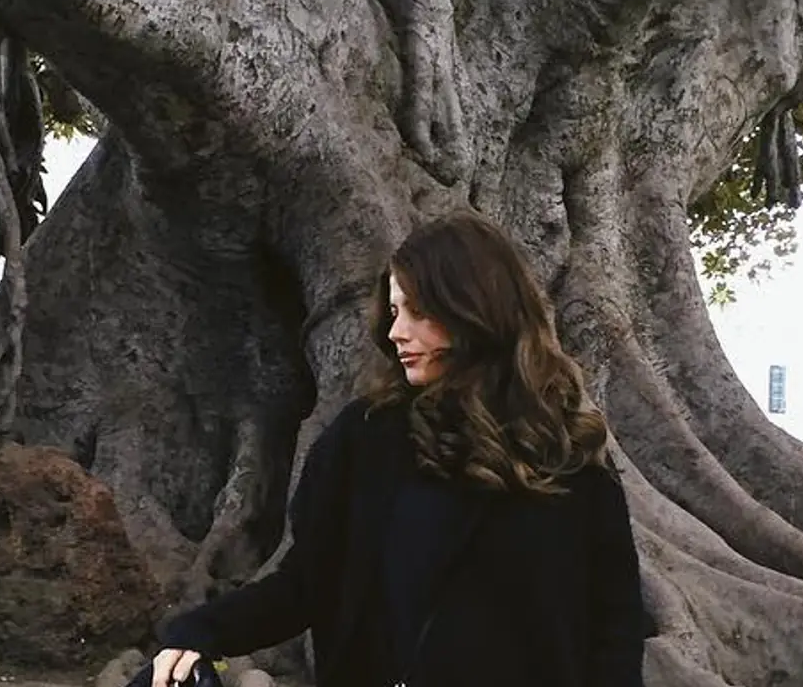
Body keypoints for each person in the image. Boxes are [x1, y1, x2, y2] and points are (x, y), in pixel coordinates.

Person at [150, 213, 648, 687]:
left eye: (418, 311)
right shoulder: (364, 437)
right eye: (393, 311)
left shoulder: (566, 452)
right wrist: (200, 633)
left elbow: (615, 626)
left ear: (475, 309)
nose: (395, 332)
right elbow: (306, 583)